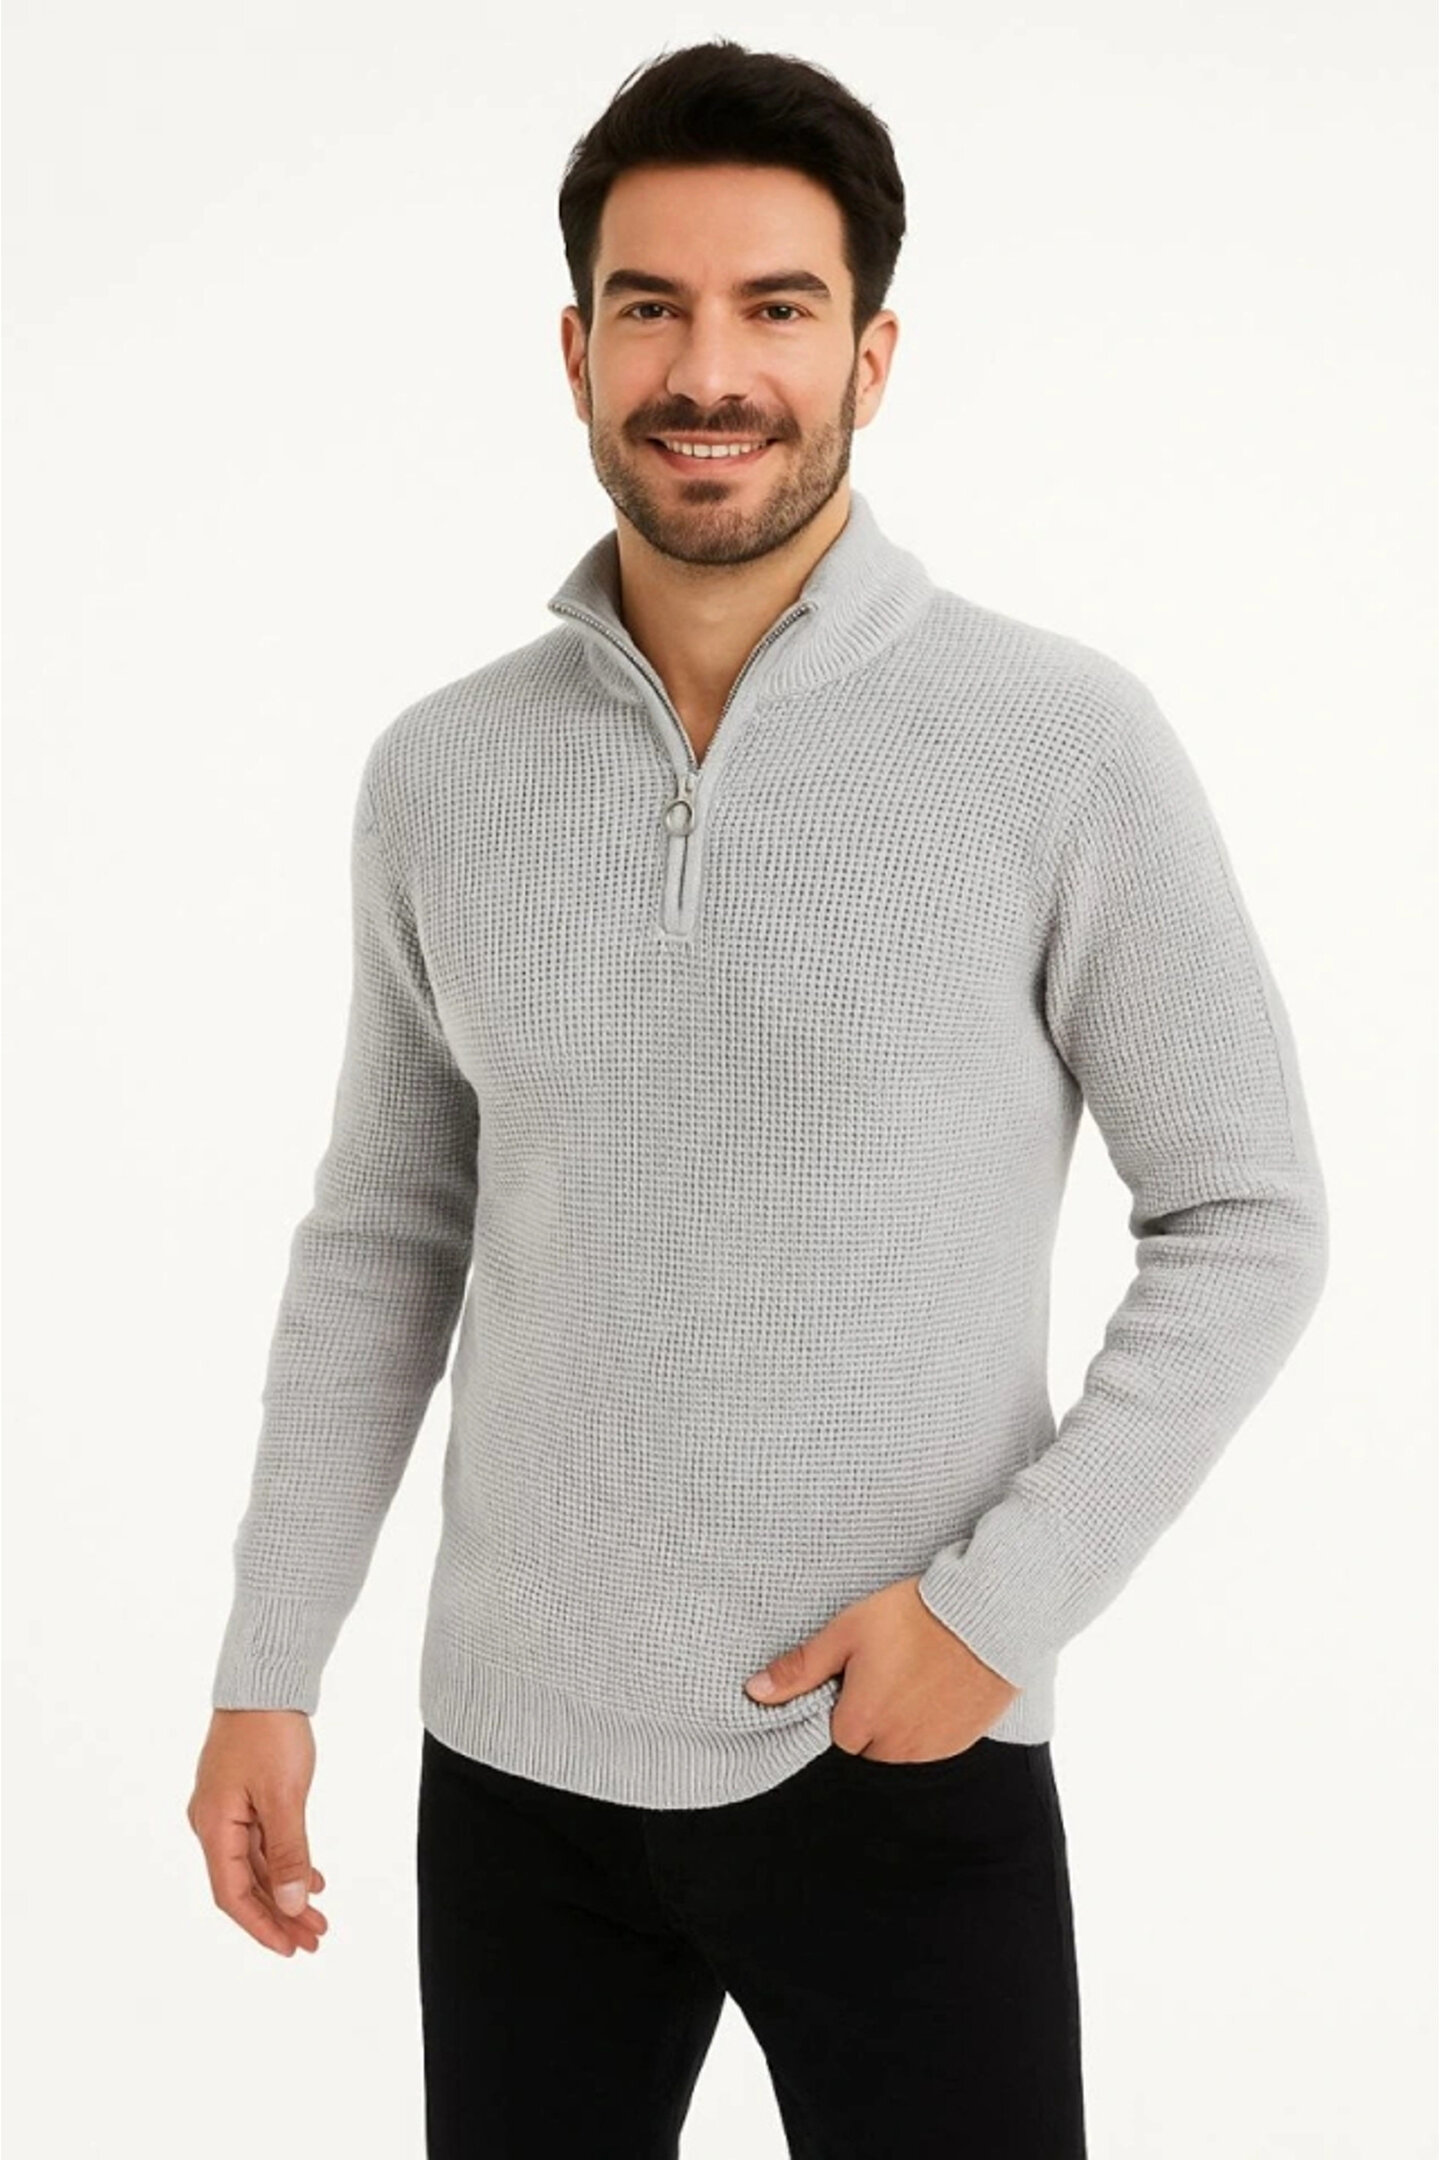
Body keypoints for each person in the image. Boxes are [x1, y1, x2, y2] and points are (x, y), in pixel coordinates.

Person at [186, 39, 1329, 2159]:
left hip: (904, 1748)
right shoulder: (443, 771)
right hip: (516, 1774)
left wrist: (996, 1614)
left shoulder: (1060, 743)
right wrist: (270, 1660)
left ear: (871, 355)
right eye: (653, 307)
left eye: (776, 308)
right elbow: (385, 1238)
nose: (709, 371)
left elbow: (1247, 1217)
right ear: (577, 349)